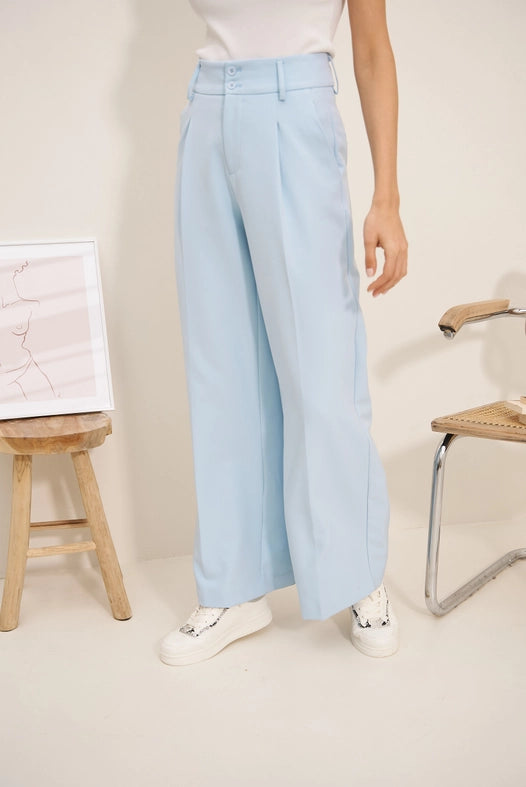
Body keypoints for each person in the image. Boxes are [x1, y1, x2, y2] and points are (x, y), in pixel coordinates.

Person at [160, 0, 408, 666]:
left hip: (294, 106)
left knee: (321, 366)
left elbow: (373, 49)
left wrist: (386, 198)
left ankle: (356, 573)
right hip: (207, 110)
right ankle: (233, 585)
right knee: (222, 367)